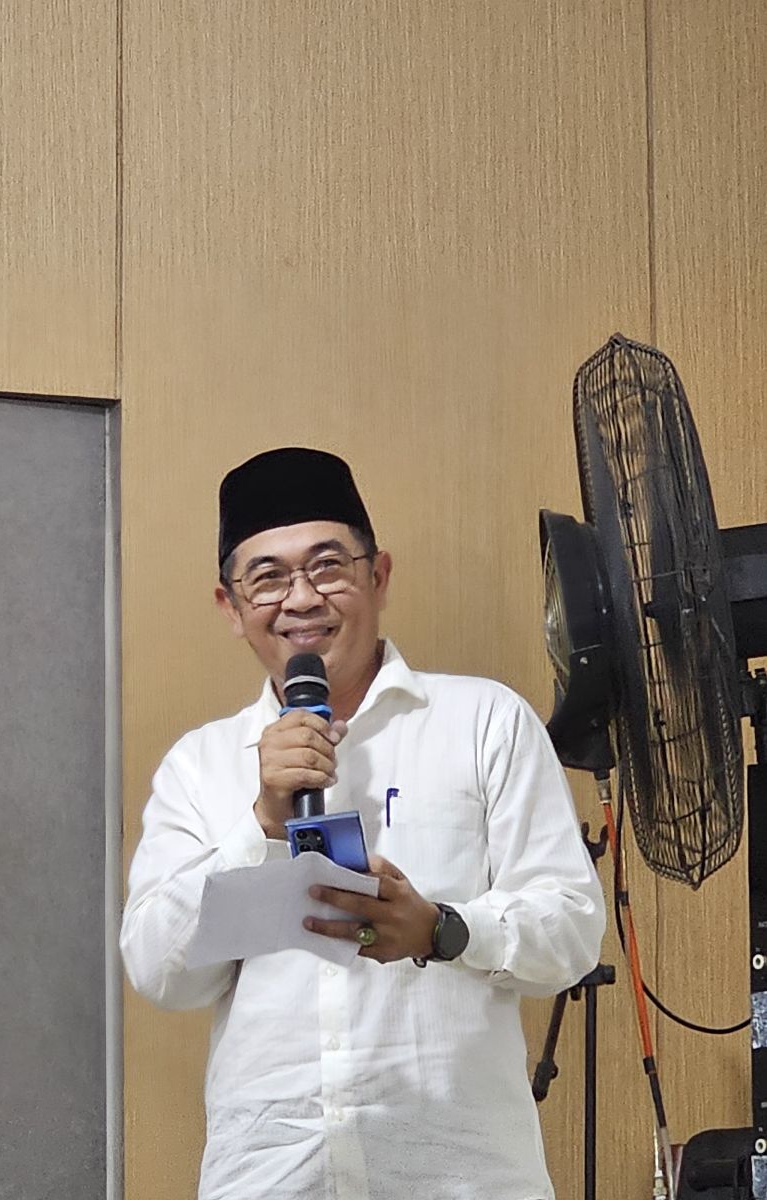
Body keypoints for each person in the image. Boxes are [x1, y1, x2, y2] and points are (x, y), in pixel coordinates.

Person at [120, 446, 606, 1200]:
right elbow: (159, 972)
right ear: (230, 607)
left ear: (378, 576)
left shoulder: (484, 721)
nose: (301, 599)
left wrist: (444, 930)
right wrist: (260, 824)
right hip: (271, 1178)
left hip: (459, 1177)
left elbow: (571, 932)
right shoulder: (201, 764)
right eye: (267, 578)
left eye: (327, 567)